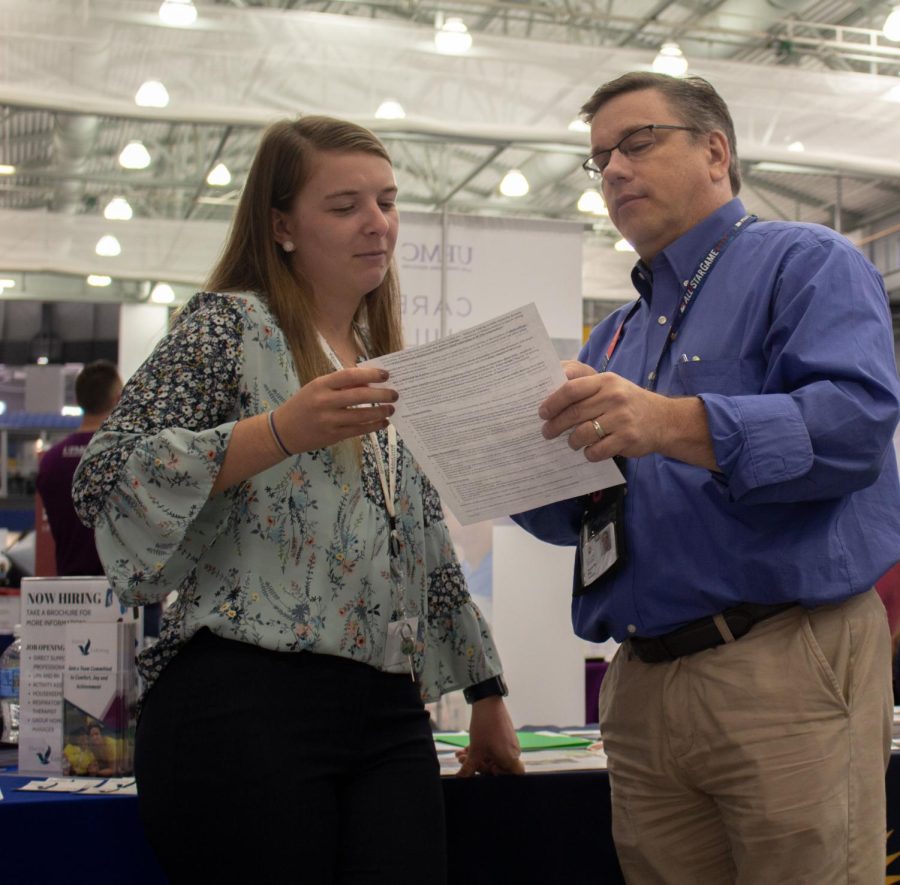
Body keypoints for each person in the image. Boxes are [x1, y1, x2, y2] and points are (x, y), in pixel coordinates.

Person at [73, 115, 522, 884]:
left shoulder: (383, 364)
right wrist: (280, 430)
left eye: (386, 201)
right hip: (242, 702)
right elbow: (106, 473)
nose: (377, 223)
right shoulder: (228, 327)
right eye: (345, 205)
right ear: (281, 225)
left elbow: (421, 541)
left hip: (386, 708)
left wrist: (486, 692)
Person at [513, 71, 900, 883]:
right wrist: (503, 466)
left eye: (637, 143)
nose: (613, 169)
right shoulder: (611, 338)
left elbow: (856, 427)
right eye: (598, 158)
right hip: (644, 683)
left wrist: (672, 422)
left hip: (781, 658)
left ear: (716, 150)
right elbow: (575, 518)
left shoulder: (806, 262)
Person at [36, 359, 121, 576]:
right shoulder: (124, 454)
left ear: (78, 400)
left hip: (71, 594)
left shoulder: (50, 461)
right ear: (118, 399)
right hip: (125, 594)